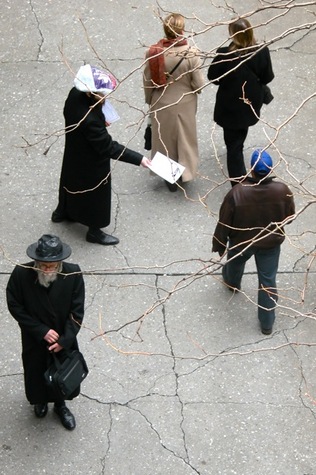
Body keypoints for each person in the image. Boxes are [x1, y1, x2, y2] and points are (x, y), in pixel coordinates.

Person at [52, 64, 151, 245]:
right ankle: (94, 231)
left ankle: (64, 211)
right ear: (92, 93)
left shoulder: (74, 96)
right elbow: (108, 147)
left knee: (70, 180)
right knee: (96, 195)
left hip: (74, 151)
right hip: (92, 162)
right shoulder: (90, 121)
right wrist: (140, 159)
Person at [6, 234, 85, 430]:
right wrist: (40, 330)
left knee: (62, 374)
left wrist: (65, 340)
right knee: (36, 372)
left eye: (51, 266)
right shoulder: (21, 274)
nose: (47, 269)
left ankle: (60, 405)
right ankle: (40, 401)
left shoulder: (73, 274)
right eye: (43, 265)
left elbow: (77, 311)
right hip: (35, 338)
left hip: (62, 336)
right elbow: (14, 305)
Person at [212, 150, 295, 335]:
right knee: (267, 281)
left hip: (242, 242)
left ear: (251, 169)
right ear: (270, 169)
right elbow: (289, 217)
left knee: (235, 262)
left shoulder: (237, 193)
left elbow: (224, 221)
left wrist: (219, 242)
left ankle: (232, 284)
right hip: (270, 243)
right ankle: (267, 324)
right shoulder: (282, 191)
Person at [207, 18, 274, 185]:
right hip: (249, 104)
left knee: (233, 147)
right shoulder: (262, 51)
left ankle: (238, 185)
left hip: (229, 107)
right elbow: (267, 77)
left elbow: (213, 77)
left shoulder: (225, 55)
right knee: (239, 135)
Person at [143, 13, 205, 191]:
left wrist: (149, 100)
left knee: (164, 139)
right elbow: (198, 83)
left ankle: (168, 177)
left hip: (161, 101)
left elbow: (148, 81)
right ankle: (185, 172)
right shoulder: (191, 53)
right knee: (185, 138)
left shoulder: (153, 52)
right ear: (181, 31)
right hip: (184, 102)